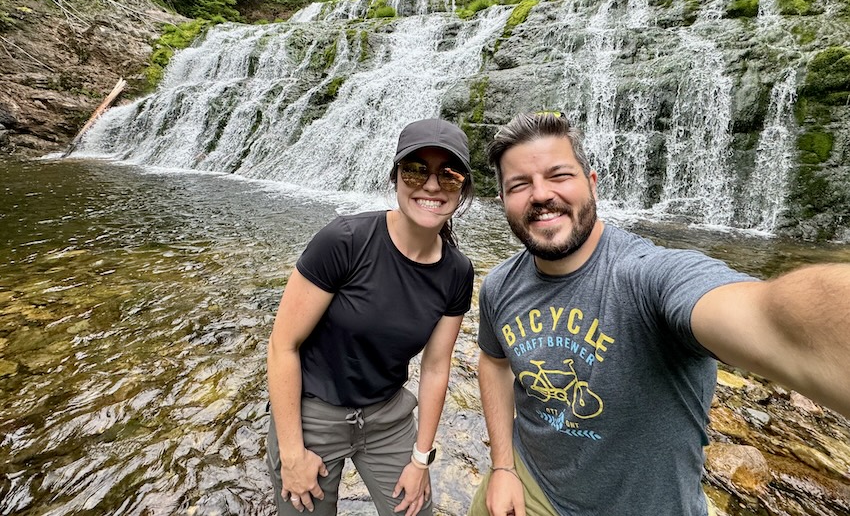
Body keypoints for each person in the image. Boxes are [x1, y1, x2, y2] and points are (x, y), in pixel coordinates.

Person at [469, 111, 850, 516]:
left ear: (592, 184)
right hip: (528, 490)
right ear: (503, 201)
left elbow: (772, 317)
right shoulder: (499, 286)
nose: (541, 194)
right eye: (520, 185)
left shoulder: (649, 275)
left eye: (559, 175)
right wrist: (503, 466)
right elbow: (493, 363)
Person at [266, 118, 475, 516]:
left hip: (388, 419)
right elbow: (283, 345)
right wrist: (292, 454)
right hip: (311, 418)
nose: (431, 186)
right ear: (395, 177)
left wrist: (421, 460)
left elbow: (435, 368)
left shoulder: (457, 272)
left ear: (462, 189)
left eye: (448, 176)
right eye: (416, 170)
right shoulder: (344, 241)